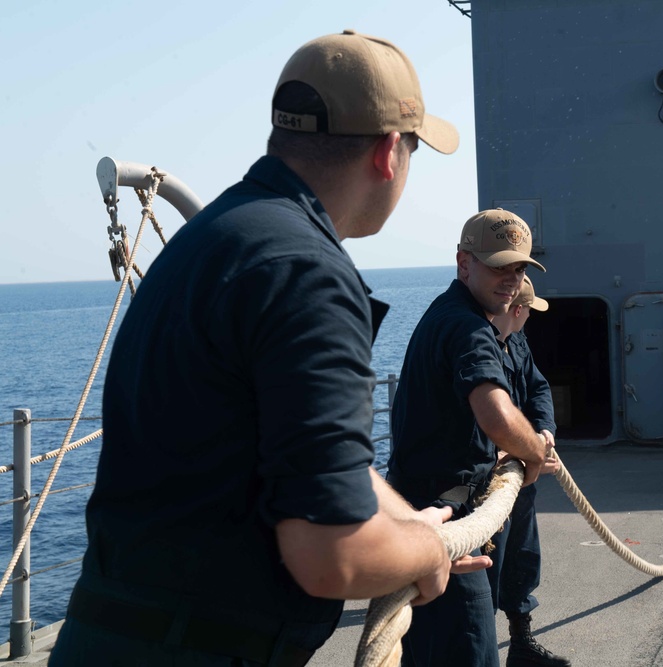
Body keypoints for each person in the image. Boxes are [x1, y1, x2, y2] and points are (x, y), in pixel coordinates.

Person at [50, 31, 487, 667]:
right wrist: (430, 553)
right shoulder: (308, 274)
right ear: (390, 153)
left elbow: (302, 457)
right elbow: (330, 554)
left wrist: (410, 524)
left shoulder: (215, 239)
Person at [387, 209, 551, 667]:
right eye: (499, 265)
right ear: (464, 263)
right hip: (441, 519)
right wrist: (535, 451)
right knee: (471, 648)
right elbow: (496, 415)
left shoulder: (454, 316)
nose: (511, 279)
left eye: (519, 268)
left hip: (441, 510)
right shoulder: (468, 326)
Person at [486, 276, 572, 667]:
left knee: (522, 556)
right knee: (484, 576)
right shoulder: (480, 343)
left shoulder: (517, 341)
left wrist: (544, 433)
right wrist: (526, 452)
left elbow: (538, 388)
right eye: (528, 312)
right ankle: (482, 653)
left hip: (521, 473)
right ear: (517, 310)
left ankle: (521, 644)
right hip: (489, 482)